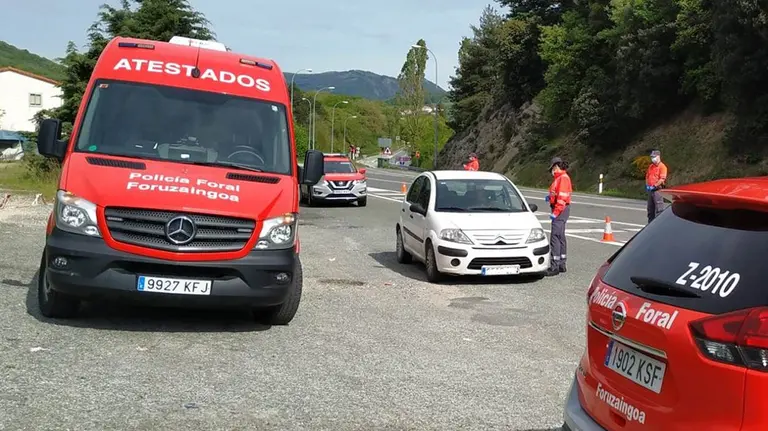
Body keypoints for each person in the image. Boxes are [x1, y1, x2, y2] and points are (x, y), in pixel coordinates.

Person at [544, 157, 572, 276]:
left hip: (560, 209)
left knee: (555, 236)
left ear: (556, 167)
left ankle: (555, 265)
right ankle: (561, 264)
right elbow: (556, 194)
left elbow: (561, 198)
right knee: (560, 236)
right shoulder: (560, 178)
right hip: (561, 209)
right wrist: (549, 198)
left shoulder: (562, 179)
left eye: (552, 168)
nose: (552, 171)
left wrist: (555, 212)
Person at [645, 149, 668, 223]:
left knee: (659, 209)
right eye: (652, 157)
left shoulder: (662, 167)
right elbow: (647, 176)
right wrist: (647, 185)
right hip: (650, 190)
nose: (653, 158)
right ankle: (650, 224)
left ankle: (658, 223)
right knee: (650, 209)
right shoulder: (651, 166)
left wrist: (655, 185)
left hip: (657, 190)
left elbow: (662, 179)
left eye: (654, 157)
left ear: (658, 157)